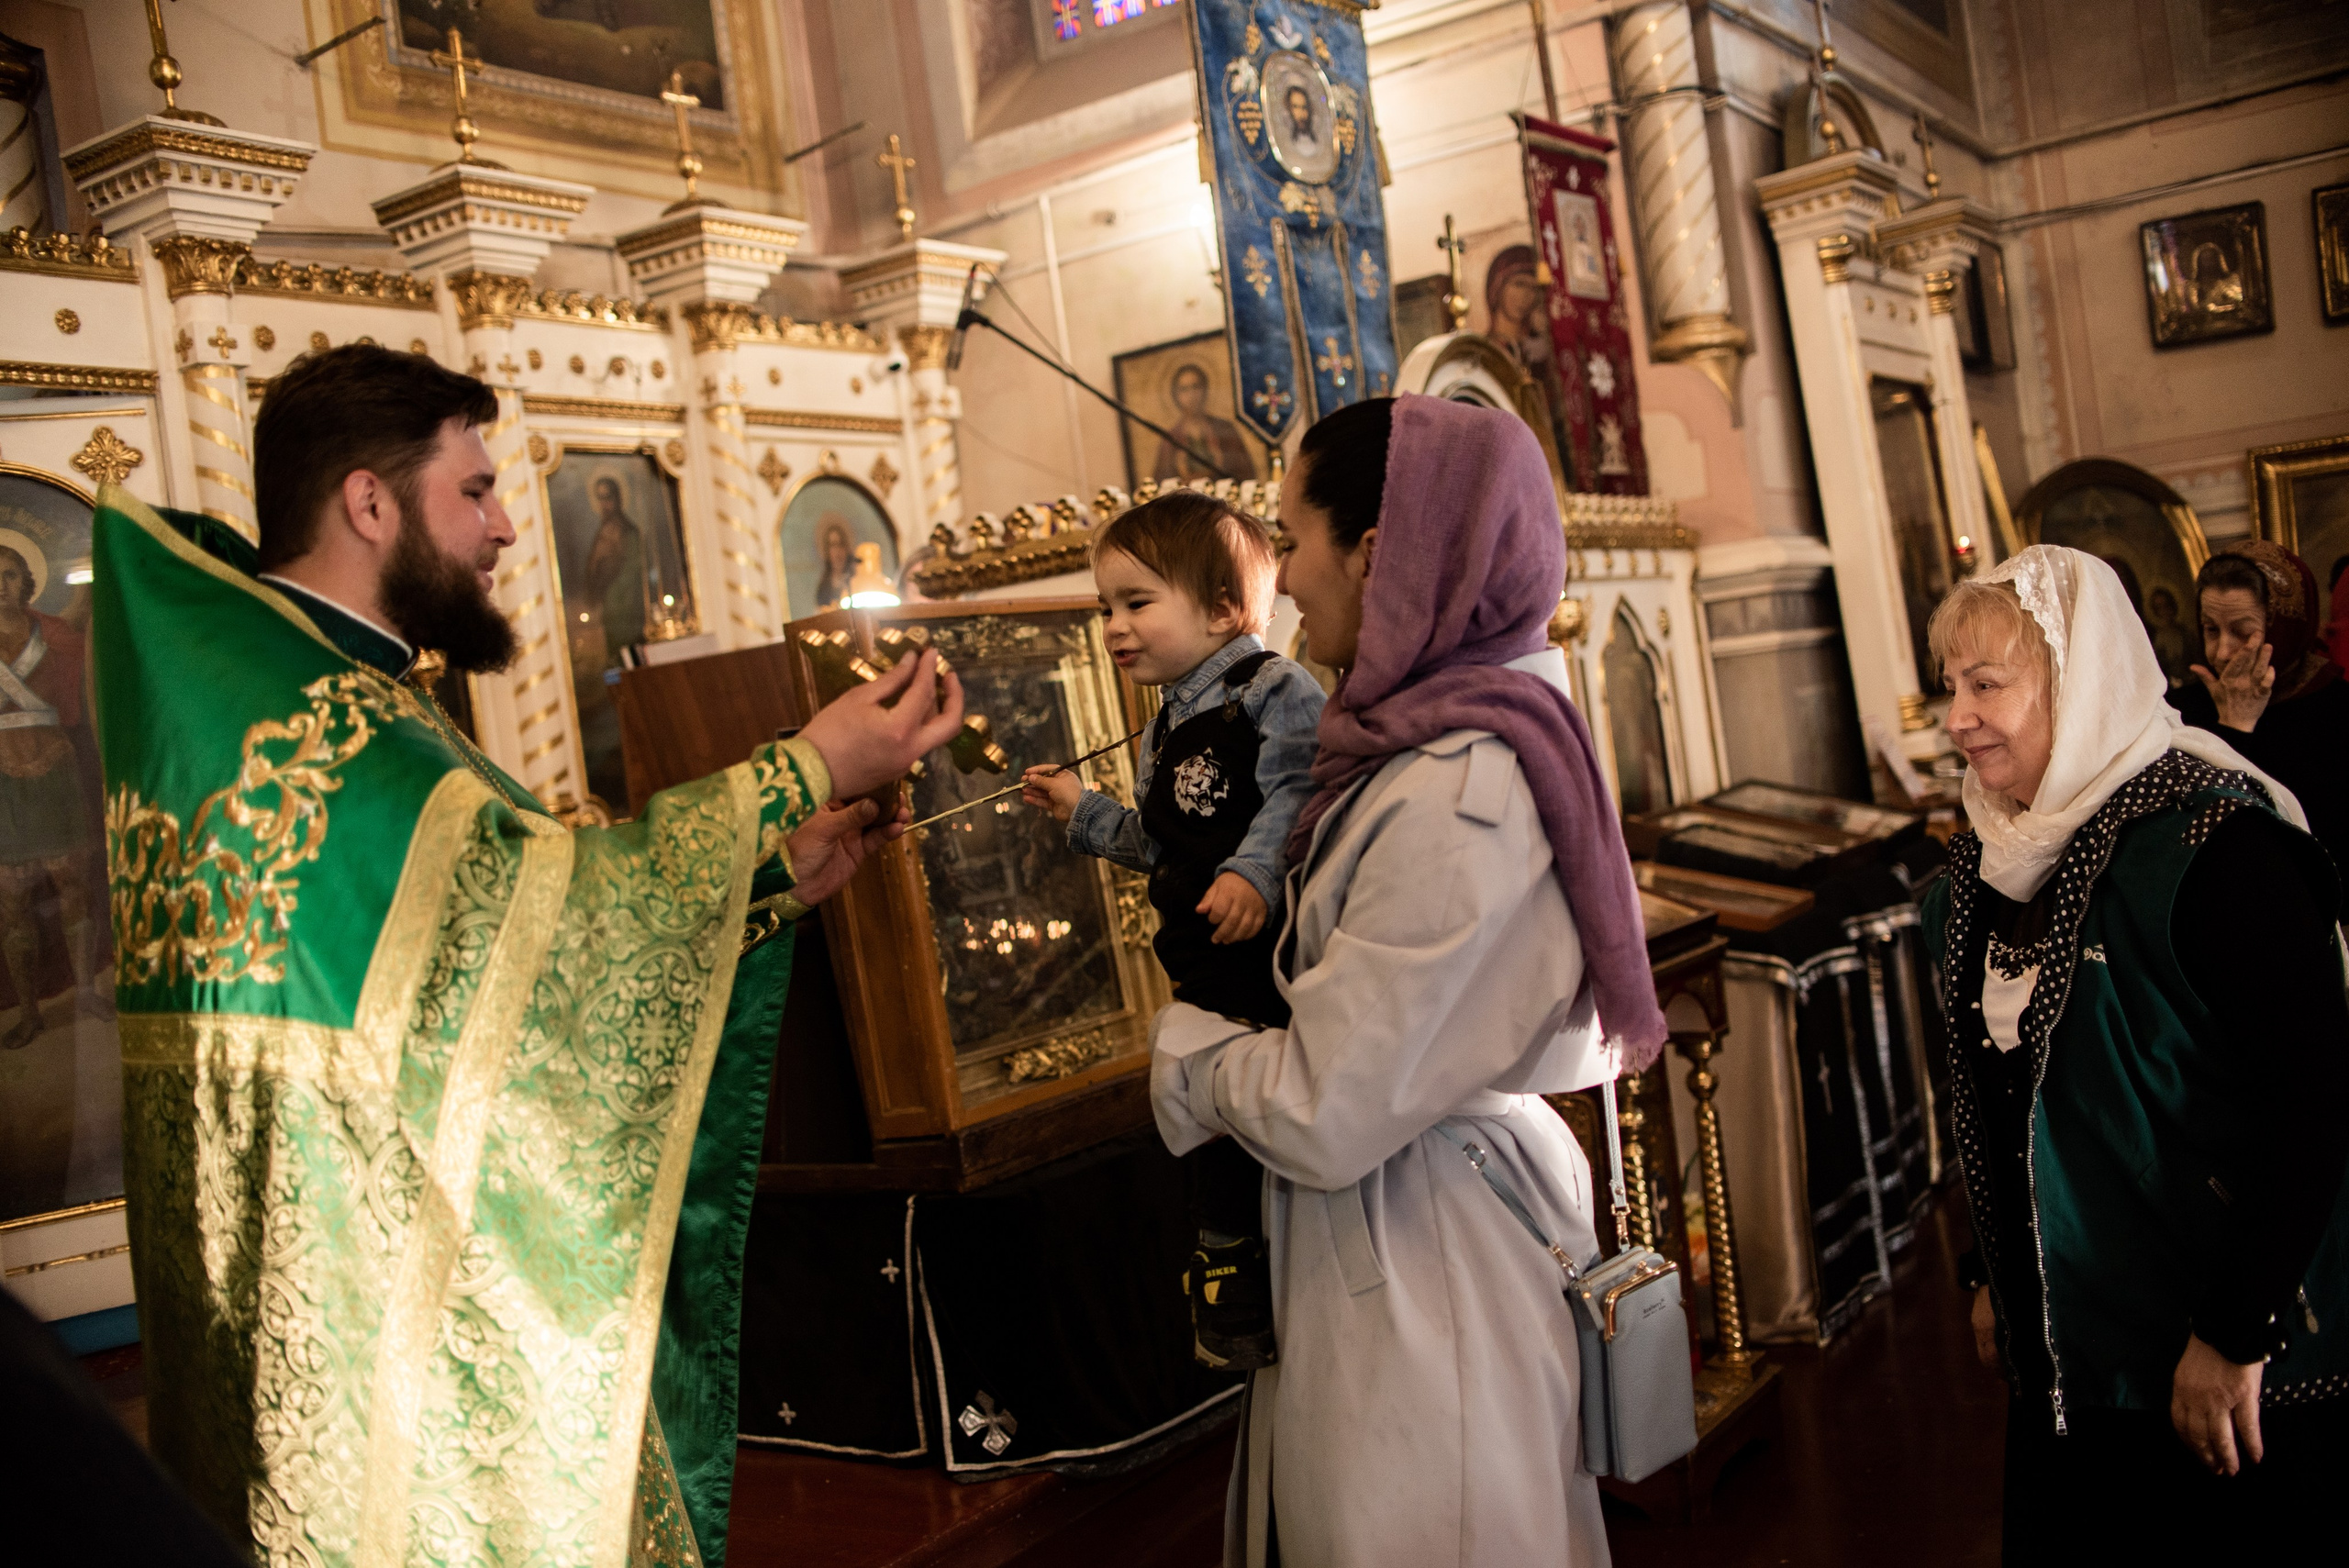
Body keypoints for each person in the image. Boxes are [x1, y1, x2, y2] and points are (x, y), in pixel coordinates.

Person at [95, 343, 964, 1567]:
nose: (507, 528)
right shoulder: (330, 717)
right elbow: (536, 916)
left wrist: (768, 874)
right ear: (368, 501)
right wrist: (802, 766)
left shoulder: (286, 682)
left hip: (315, 1290)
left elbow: (473, 969)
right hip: (355, 1320)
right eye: (478, 490)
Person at [1149, 395, 1666, 1566]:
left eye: (1289, 538)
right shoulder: (1435, 742)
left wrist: (1191, 1055)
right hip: (1417, 1221)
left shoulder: (1456, 786)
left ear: (1376, 552)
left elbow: (1331, 1110)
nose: (1279, 580)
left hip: (1426, 1255)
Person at [1922, 546, 2348, 1562]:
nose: (1956, 718)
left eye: (1988, 685)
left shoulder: (2217, 850)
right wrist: (1991, 1272)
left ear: (2078, 684)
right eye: (1950, 686)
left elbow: (2312, 1101)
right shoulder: (1985, 867)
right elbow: (1997, 1091)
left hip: (2225, 1370)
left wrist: (2235, 1327)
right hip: (2070, 1365)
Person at [1020, 491, 1324, 1371]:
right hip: (1198, 963)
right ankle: (1234, 1290)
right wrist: (1086, 811)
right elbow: (1161, 845)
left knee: (1257, 1129)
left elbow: (1299, 793)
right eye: (1103, 608)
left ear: (1226, 609)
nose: (1113, 627)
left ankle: (1259, 1282)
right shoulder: (1165, 725)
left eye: (1136, 602)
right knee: (1215, 1130)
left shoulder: (1273, 690)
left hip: (1262, 963)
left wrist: (1254, 872)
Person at [2171, 540, 2349, 877]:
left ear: (2284, 628)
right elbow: (2193, 840)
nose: (2222, 652)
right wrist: (2233, 727)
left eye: (2241, 632)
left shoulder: (2338, 709)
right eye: (2211, 629)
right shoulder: (2179, 714)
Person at [0, 542, 105, 1049]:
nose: (1, 584)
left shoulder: (53, 633)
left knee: (74, 888)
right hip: (2, 780)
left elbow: (82, 644)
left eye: (10, 574)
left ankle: (84, 991)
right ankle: (28, 1011)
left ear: (27, 583)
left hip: (55, 772)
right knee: (13, 901)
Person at [1148, 362, 1257, 484]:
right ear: (1176, 395)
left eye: (1196, 387)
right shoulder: (1170, 439)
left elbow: (1245, 475)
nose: (1191, 395)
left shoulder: (1225, 429)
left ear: (1205, 389)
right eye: (1184, 389)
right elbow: (1162, 485)